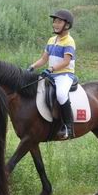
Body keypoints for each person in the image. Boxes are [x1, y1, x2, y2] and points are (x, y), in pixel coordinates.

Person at [28, 9, 77, 140]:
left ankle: (68, 126)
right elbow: (44, 59)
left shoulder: (69, 41)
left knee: (61, 95)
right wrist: (32, 66)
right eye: (54, 21)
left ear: (67, 25)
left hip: (64, 75)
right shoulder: (51, 40)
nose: (55, 24)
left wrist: (51, 69)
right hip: (51, 75)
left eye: (59, 22)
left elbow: (66, 62)